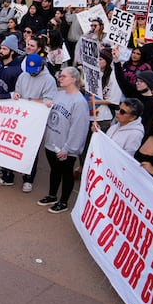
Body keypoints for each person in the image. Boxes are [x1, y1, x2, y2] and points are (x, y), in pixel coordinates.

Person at [0, 54, 57, 191]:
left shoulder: (49, 80)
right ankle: (7, 175)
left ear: (41, 66)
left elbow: (49, 101)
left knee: (31, 149)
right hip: (20, 117)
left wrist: (29, 101)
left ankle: (28, 179)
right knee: (11, 145)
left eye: (35, 70)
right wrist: (17, 95)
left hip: (35, 120)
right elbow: (17, 91)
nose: (33, 73)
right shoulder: (23, 76)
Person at [39, 67, 90, 213]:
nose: (60, 78)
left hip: (65, 147)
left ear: (74, 79)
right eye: (60, 76)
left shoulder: (79, 102)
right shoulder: (59, 94)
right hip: (52, 141)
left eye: (63, 76)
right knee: (54, 170)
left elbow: (78, 128)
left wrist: (68, 148)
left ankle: (63, 202)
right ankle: (52, 195)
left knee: (66, 173)